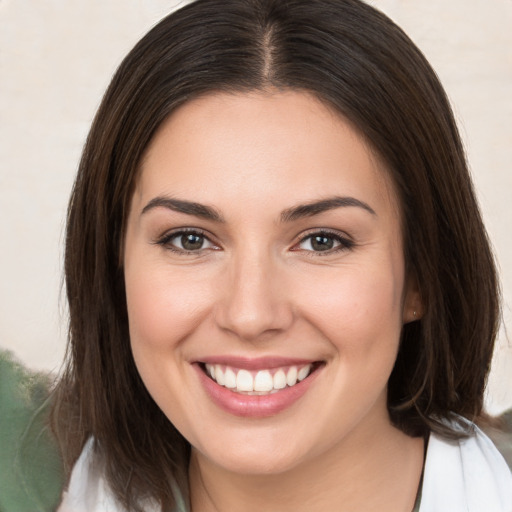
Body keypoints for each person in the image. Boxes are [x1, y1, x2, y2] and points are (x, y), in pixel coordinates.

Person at [51, 0, 512, 510]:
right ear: (115, 262)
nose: (250, 315)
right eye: (190, 239)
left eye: (322, 241)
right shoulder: (29, 476)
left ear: (422, 275)